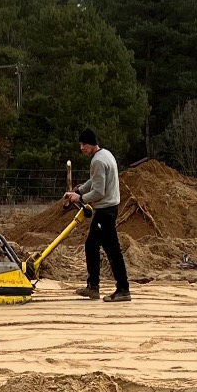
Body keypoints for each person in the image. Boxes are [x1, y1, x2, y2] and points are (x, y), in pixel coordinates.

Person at [65, 128, 129, 301]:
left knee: (108, 249)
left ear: (91, 144)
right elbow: (95, 181)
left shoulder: (98, 162)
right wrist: (78, 190)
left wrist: (81, 197)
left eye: (83, 144)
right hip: (109, 208)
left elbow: (99, 191)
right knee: (96, 246)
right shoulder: (105, 155)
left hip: (105, 210)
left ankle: (119, 289)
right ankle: (96, 286)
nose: (81, 148)